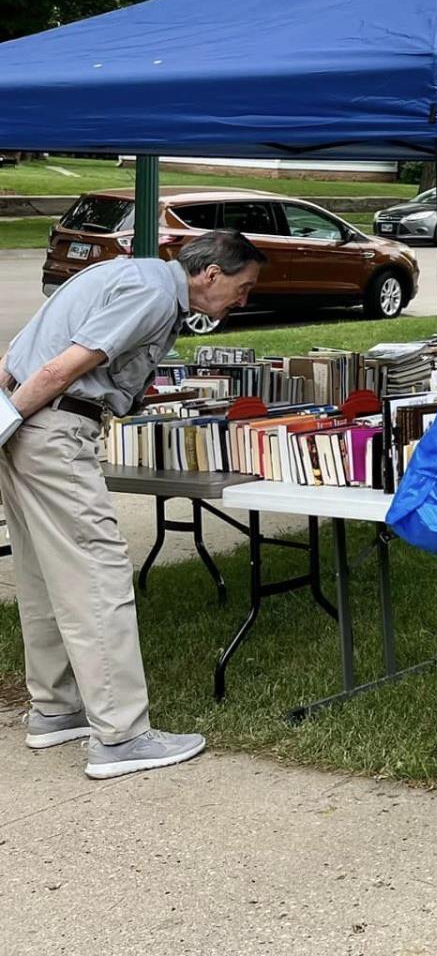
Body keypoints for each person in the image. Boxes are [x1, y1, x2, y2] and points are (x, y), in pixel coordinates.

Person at [0, 230, 264, 779]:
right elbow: (57, 370)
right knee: (99, 574)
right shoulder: (151, 293)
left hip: (27, 426)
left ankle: (56, 710)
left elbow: (17, 356)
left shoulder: (123, 273)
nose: (244, 300)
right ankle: (121, 736)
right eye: (243, 287)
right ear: (211, 273)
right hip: (51, 426)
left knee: (44, 574)